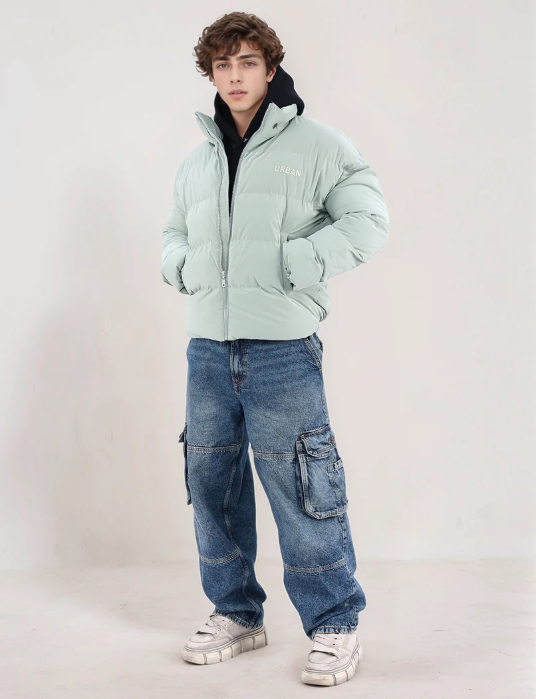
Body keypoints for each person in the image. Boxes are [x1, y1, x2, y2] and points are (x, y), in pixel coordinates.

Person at [161, 11, 389, 687]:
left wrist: (296, 263)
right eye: (223, 65)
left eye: (248, 62)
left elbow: (368, 219)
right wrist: (183, 269)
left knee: (301, 486)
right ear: (211, 74)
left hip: (283, 349)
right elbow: (173, 234)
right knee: (212, 485)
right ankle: (236, 612)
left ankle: (335, 623)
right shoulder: (197, 160)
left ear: (270, 68)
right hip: (208, 349)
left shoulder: (318, 145)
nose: (235, 76)